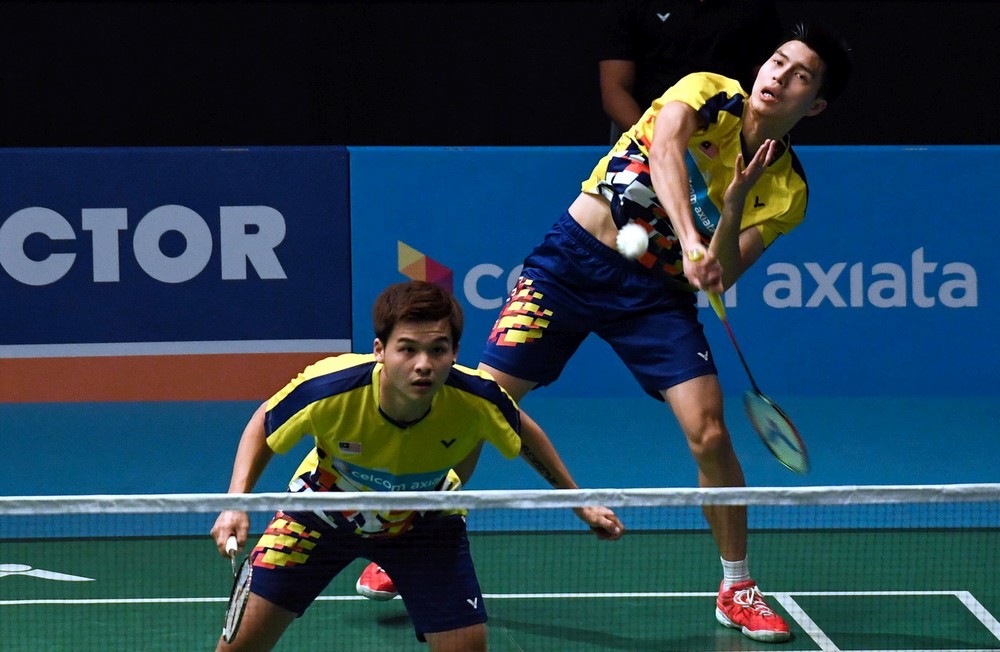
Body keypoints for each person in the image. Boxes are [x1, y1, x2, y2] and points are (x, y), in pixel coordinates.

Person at [360, 22, 852, 644]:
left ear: (818, 104)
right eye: (777, 62)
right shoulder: (706, 93)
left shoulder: (788, 191)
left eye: (799, 75)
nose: (777, 76)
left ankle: (736, 584)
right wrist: (693, 235)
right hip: (571, 263)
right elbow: (666, 151)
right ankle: (411, 535)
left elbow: (717, 276)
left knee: (710, 429)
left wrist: (729, 212)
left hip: (656, 298)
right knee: (483, 399)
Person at [210, 280, 624, 651]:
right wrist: (236, 502)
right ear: (380, 351)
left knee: (467, 646)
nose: (423, 364)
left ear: (454, 353)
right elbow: (264, 423)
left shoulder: (477, 399)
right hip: (320, 514)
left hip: (424, 522)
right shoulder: (331, 389)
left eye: (437, 350)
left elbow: (525, 433)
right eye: (407, 349)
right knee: (239, 647)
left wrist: (581, 503)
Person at [599, 0, 783, 142]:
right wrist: (658, 143)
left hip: (729, 140)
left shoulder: (756, 7)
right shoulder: (630, 4)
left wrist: (743, 141)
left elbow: (767, 83)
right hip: (648, 136)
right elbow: (615, 89)